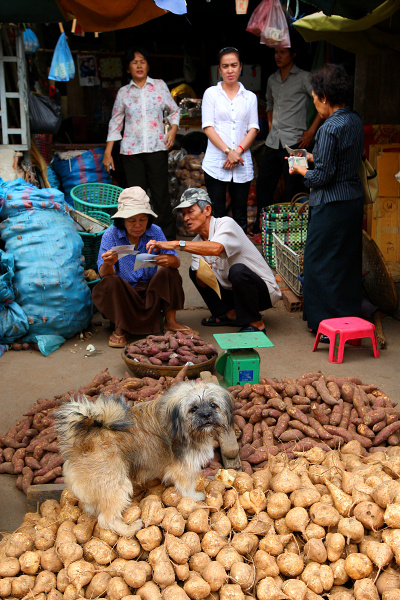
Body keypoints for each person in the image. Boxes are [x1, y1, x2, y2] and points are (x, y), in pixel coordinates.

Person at [288, 64, 364, 335]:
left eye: (314, 99)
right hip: (352, 201)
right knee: (345, 262)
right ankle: (348, 317)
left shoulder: (328, 128)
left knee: (319, 261)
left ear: (324, 97)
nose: (315, 105)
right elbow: (339, 159)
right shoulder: (354, 120)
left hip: (330, 205)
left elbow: (321, 178)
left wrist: (300, 169)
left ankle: (323, 322)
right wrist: (309, 156)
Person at [146, 188, 282, 333]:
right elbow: (202, 283)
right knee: (194, 271)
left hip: (263, 293)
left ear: (207, 210)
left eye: (190, 212)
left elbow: (216, 248)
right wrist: (203, 273)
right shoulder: (197, 242)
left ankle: (256, 323)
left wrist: (176, 244)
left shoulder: (225, 224)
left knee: (238, 270)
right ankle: (231, 314)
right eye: (183, 214)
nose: (185, 218)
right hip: (236, 293)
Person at [92, 187, 189, 347]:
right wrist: (108, 264)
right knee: (110, 281)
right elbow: (103, 274)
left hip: (151, 293)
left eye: (143, 219)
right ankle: (120, 327)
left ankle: (170, 322)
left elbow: (177, 262)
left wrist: (169, 259)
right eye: (131, 220)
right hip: (124, 297)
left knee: (170, 272)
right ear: (122, 220)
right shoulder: (111, 235)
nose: (138, 225)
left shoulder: (155, 231)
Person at [103, 47, 179, 240]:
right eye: (134, 62)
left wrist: (173, 129)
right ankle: (140, 237)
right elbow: (115, 122)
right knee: (137, 197)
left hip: (156, 148)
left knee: (161, 195)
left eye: (142, 61)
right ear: (128, 68)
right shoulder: (124, 93)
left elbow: (174, 110)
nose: (139, 65)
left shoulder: (159, 86)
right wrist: (108, 152)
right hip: (131, 152)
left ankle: (166, 238)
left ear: (148, 65)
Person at [252, 46, 322, 236]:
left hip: (296, 144)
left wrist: (311, 131)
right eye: (276, 52)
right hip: (274, 142)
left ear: (293, 54)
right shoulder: (272, 79)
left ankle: (292, 231)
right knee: (264, 184)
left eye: (283, 52)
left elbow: (321, 100)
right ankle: (261, 228)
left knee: (294, 188)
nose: (278, 56)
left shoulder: (304, 77)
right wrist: (271, 124)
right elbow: (269, 104)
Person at [201, 47, 259, 233]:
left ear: (240, 67)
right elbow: (208, 127)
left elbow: (253, 128)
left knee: (240, 214)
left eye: (234, 65)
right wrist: (228, 151)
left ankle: (239, 257)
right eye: (225, 66)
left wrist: (237, 152)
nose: (230, 70)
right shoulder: (211, 94)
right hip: (216, 163)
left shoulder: (250, 97)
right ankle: (218, 258)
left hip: (241, 163)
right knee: (217, 215)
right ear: (219, 69)